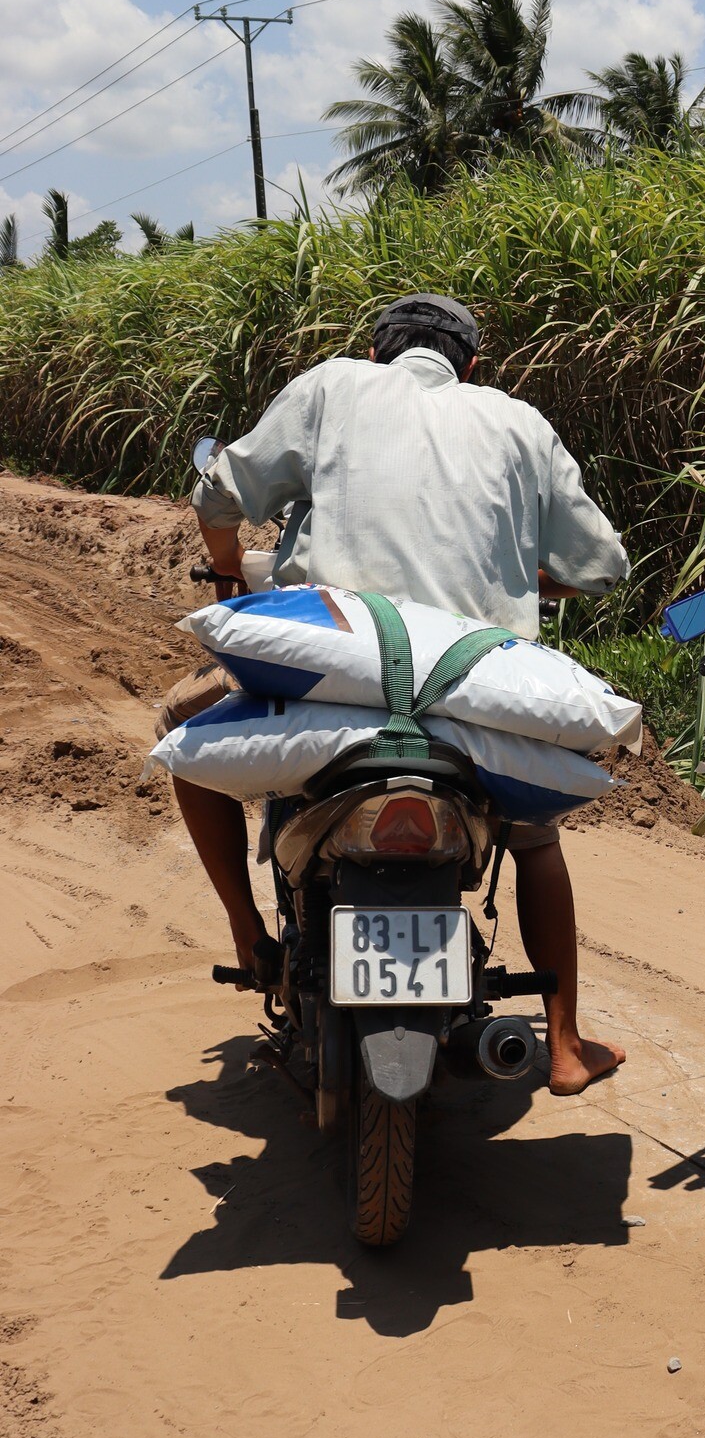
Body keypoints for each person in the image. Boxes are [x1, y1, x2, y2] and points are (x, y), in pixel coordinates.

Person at [158, 291, 630, 1096]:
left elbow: (217, 497)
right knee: (536, 840)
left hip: (338, 663)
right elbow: (602, 567)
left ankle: (248, 934)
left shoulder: (332, 386)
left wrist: (232, 569)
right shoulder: (518, 421)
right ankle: (563, 1042)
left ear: (376, 354)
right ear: (471, 366)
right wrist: (524, 580)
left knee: (180, 728)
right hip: (476, 684)